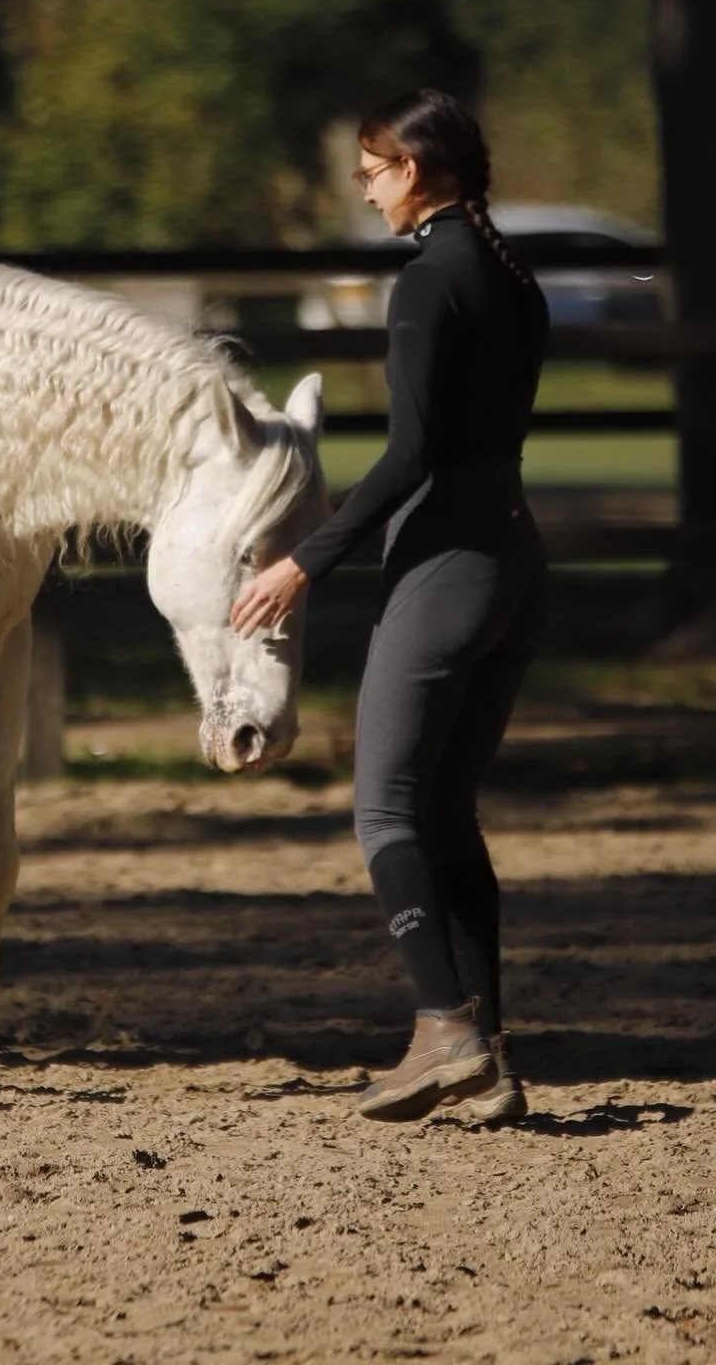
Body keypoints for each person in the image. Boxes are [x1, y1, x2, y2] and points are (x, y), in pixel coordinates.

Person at [230, 89, 548, 1123]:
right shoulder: (509, 276)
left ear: (412, 168)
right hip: (512, 560)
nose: (364, 187)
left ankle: (443, 1029)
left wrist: (303, 563)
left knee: (385, 811)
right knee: (448, 812)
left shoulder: (424, 286)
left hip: (446, 570)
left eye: (371, 169)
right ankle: (487, 1056)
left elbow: (408, 455)